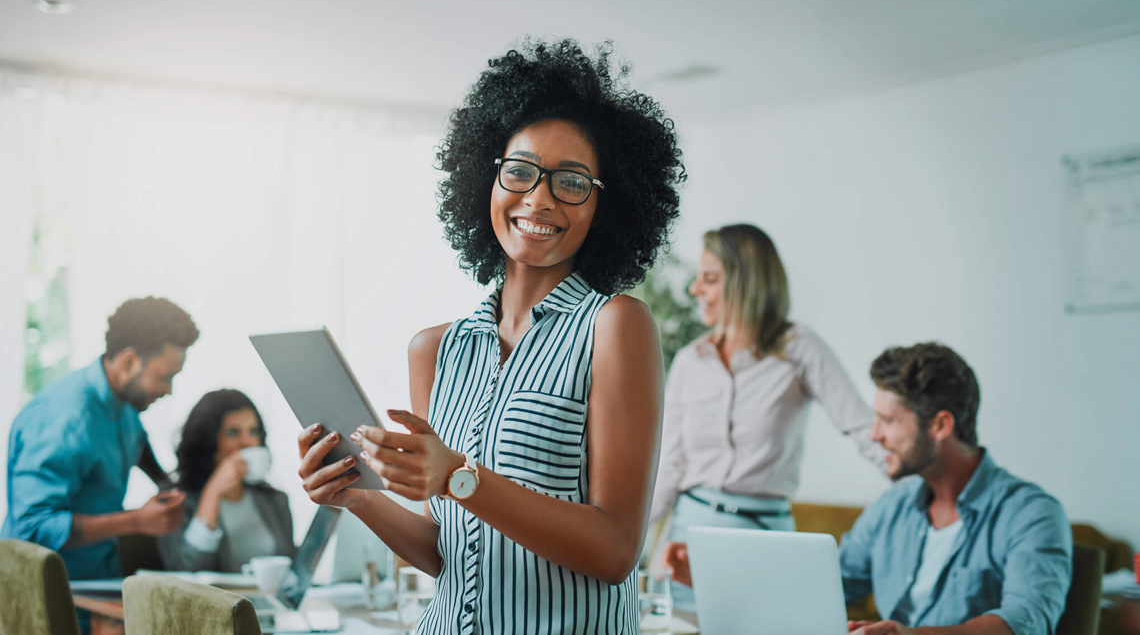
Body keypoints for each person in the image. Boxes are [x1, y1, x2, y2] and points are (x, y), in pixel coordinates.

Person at [296, 38, 684, 634]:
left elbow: (614, 552)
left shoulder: (616, 326)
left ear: (606, 207)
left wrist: (458, 476)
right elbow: (443, 550)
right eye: (520, 171)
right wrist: (356, 497)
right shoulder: (434, 349)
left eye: (572, 182)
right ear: (488, 177)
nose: (539, 197)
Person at [667, 343, 1073, 635]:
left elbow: (1026, 621)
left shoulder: (1032, 514)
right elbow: (824, 586)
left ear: (941, 425)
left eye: (889, 421)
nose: (874, 434)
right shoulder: (893, 506)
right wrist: (711, 578)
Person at [652, 223, 885, 609]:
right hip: (685, 544)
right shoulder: (691, 360)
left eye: (709, 279)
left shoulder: (799, 349)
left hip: (764, 543)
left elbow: (863, 428)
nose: (695, 290)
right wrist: (623, 543)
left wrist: (925, 485)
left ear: (746, 282)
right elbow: (669, 467)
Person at [3, 297, 198, 629]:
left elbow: (135, 441)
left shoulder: (123, 402)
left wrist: (165, 482)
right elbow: (35, 527)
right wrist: (136, 521)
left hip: (97, 584)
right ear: (128, 361)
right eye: (165, 377)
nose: (168, 390)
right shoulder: (63, 420)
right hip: (45, 602)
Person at [158, 389, 294, 573]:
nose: (247, 442)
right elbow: (186, 571)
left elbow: (289, 566)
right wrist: (212, 494)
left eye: (253, 431)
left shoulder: (275, 500)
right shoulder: (175, 502)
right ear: (207, 441)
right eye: (232, 433)